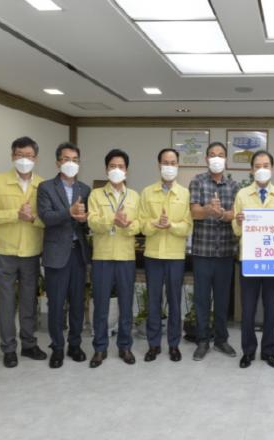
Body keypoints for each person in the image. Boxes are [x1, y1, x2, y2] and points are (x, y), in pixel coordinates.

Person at [0, 136, 47, 368]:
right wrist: (14, 214)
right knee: (7, 302)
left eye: (28, 156)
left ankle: (28, 344)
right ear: (12, 156)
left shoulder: (43, 185)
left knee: (29, 301)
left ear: (36, 158)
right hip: (6, 251)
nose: (24, 160)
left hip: (31, 251)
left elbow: (47, 219)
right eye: (19, 155)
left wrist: (32, 218)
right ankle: (8, 349)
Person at [37, 142, 90, 368]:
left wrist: (85, 220)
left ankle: (74, 345)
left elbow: (86, 223)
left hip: (78, 253)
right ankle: (57, 347)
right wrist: (69, 212)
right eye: (66, 159)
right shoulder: (46, 187)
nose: (71, 163)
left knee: (77, 303)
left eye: (75, 160)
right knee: (57, 304)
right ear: (58, 162)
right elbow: (46, 217)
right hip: (56, 254)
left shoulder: (85, 189)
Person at [87, 149, 140, 368]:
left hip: (126, 257)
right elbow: (92, 222)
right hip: (102, 256)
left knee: (126, 305)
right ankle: (100, 348)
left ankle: (125, 346)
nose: (116, 170)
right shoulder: (96, 195)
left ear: (127, 170)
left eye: (120, 166)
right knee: (101, 305)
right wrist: (112, 220)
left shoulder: (134, 196)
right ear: (106, 169)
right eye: (112, 166)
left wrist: (127, 225)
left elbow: (139, 225)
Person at [139, 148, 192, 362]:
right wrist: (155, 223)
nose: (169, 166)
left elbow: (187, 226)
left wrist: (171, 225)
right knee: (153, 302)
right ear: (159, 165)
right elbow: (142, 225)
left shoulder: (184, 193)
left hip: (175, 256)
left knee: (174, 301)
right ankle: (153, 345)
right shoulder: (147, 192)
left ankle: (173, 344)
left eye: (173, 163)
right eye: (165, 162)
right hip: (153, 255)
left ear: (178, 165)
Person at [233, 150, 274, 369]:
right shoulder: (242, 194)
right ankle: (248, 351)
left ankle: (268, 351)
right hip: (249, 259)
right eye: (257, 166)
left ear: (272, 168)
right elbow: (236, 230)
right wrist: (238, 221)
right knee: (248, 308)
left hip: (272, 260)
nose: (262, 169)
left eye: (266, 165)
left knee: (271, 307)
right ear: (251, 169)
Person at [189, 142, 239, 361]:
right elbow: (194, 212)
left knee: (222, 299)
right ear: (206, 159)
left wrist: (221, 214)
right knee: (201, 299)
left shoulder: (234, 186)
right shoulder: (197, 181)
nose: (216, 158)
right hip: (203, 251)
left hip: (225, 252)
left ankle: (221, 339)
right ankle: (202, 340)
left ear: (225, 159)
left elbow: (235, 214)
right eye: (212, 155)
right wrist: (208, 210)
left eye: (220, 155)